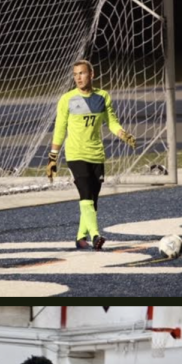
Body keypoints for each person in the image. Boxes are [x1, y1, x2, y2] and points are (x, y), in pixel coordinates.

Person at [46, 59, 136, 249]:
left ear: (91, 74)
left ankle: (80, 237)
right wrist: (53, 157)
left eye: (82, 73)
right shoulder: (67, 99)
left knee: (91, 200)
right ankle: (96, 235)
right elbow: (60, 129)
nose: (78, 77)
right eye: (75, 74)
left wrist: (123, 133)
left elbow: (111, 122)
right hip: (75, 154)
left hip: (96, 155)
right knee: (85, 193)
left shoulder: (102, 97)